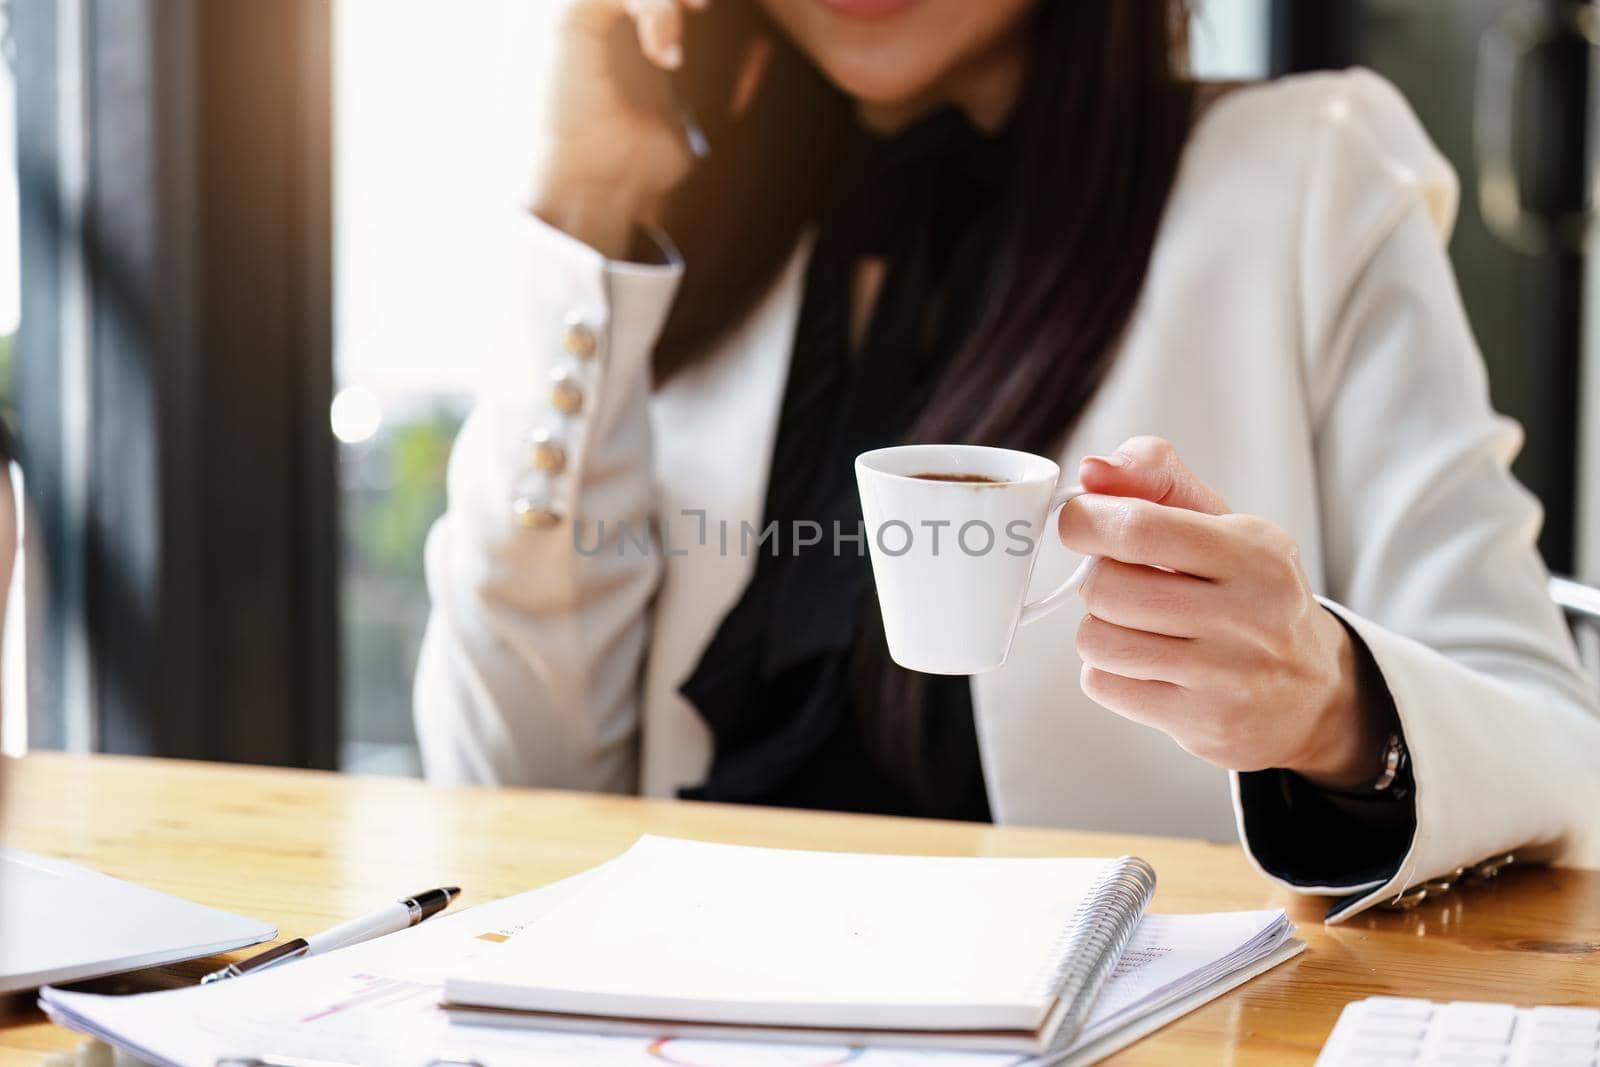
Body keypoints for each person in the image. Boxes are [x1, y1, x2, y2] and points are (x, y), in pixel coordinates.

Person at [414, 0, 1600, 919]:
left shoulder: (1307, 178)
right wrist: (584, 201)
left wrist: (1330, 704)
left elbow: (1560, 754)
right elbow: (503, 776)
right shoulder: (680, 233)